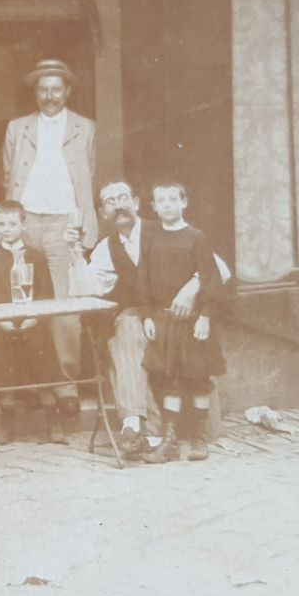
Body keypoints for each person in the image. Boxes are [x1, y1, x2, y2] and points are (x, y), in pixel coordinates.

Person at [3, 59, 97, 420]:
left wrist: (80, 223)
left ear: (67, 92)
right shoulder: (19, 128)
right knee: (20, 301)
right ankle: (25, 386)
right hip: (25, 221)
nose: (49, 96)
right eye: (43, 89)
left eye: (56, 89)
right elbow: (9, 172)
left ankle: (65, 386)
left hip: (63, 224)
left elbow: (87, 175)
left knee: (64, 306)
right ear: (35, 92)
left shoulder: (85, 128)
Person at [67, 181, 162, 458]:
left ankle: (141, 429)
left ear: (136, 203)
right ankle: (136, 427)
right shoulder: (107, 247)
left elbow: (217, 269)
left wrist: (190, 292)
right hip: (139, 320)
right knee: (125, 329)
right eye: (110, 202)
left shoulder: (162, 231)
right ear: (103, 213)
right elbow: (87, 289)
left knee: (126, 330)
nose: (118, 205)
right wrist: (74, 250)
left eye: (123, 198)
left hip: (174, 316)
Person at [136, 181, 225, 464]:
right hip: (164, 319)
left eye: (173, 199)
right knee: (170, 379)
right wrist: (147, 315)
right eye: (160, 201)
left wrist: (205, 317)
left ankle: (198, 436)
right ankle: (170, 438)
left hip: (193, 321)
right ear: (153, 207)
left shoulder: (196, 237)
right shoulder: (150, 239)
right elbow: (143, 279)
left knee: (198, 378)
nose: (167, 205)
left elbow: (210, 279)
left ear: (184, 202)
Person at [0, 201, 66, 446]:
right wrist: (1, 321)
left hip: (33, 325)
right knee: (2, 361)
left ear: (23, 224)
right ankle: (6, 424)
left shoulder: (35, 257)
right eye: (1, 224)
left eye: (12, 224)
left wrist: (34, 318)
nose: (6, 229)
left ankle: (53, 420)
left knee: (43, 357)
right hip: (5, 327)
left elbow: (46, 292)